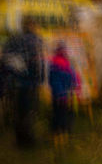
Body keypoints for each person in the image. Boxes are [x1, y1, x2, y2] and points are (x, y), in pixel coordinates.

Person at [2, 17, 44, 148]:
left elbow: (5, 58)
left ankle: (19, 140)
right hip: (30, 83)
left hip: (14, 83)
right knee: (29, 112)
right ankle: (28, 141)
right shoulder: (35, 40)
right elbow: (38, 63)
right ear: (32, 25)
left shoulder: (13, 39)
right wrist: (40, 80)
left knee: (18, 112)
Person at [48, 41, 77, 147]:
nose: (65, 52)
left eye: (65, 50)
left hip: (66, 94)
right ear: (59, 51)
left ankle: (63, 132)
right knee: (58, 114)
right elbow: (54, 81)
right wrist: (60, 93)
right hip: (59, 95)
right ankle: (57, 134)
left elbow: (72, 75)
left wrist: (75, 84)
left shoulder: (66, 63)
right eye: (63, 50)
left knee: (65, 113)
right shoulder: (55, 64)